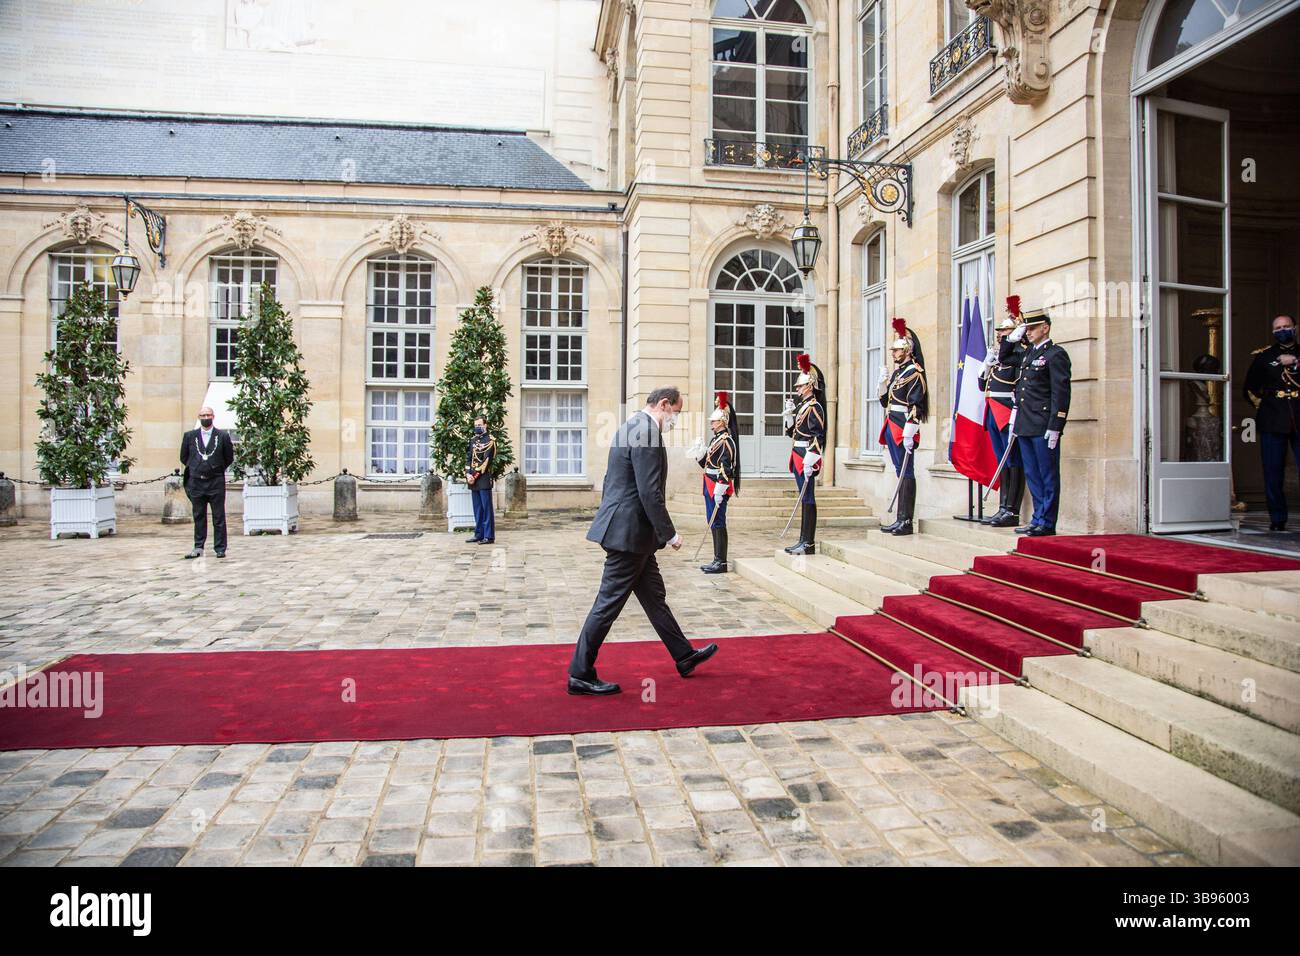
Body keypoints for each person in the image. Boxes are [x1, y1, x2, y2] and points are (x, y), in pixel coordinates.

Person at [568, 387, 719, 696]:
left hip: (631, 533)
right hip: (630, 535)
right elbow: (649, 492)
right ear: (663, 405)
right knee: (607, 604)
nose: (675, 419)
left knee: (654, 598)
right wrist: (670, 533)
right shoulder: (647, 432)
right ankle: (580, 673)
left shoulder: (632, 425)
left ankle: (684, 655)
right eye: (676, 412)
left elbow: (615, 480)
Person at [1010, 307, 1071, 536]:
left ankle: (1047, 521)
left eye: (1033, 328)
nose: (1028, 332)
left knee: (1047, 474)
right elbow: (1005, 358)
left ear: (1045, 328)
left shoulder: (1056, 354)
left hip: (1044, 425)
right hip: (1026, 423)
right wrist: (1010, 339)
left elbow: (1061, 393)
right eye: (1026, 329)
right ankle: (1037, 517)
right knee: (1033, 474)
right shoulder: (1028, 354)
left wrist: (1056, 426)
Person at [1243, 314, 1300, 531]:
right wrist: (1265, 407)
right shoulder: (1264, 357)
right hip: (1273, 418)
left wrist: (1295, 361)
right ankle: (1277, 518)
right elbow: (1250, 387)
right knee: (1273, 471)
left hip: (1299, 415)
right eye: (1278, 327)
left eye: (1286, 326)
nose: (1282, 330)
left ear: (1294, 328)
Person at [877, 318, 928, 536]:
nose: (893, 353)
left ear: (907, 350)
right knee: (900, 472)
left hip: (903, 426)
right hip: (892, 423)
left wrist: (911, 429)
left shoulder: (915, 372)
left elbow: (917, 402)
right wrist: (881, 385)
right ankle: (899, 517)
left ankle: (906, 520)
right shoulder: (898, 373)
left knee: (907, 472)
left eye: (897, 350)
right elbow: (886, 401)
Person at [980, 296, 1027, 528]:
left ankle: (1012, 509)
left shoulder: (1019, 356)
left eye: (1005, 330)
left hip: (1008, 412)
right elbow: (983, 386)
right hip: (993, 411)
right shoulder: (1000, 358)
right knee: (1002, 461)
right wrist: (985, 367)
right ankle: (1002, 507)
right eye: (999, 331)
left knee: (1013, 460)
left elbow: (1020, 385)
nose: (1000, 334)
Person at [782, 354, 826, 556]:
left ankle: (808, 542)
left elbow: (819, 435)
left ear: (809, 386)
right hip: (798, 452)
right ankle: (802, 539)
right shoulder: (802, 406)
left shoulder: (815, 406)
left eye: (800, 386)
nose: (797, 389)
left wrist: (813, 457)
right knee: (803, 498)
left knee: (808, 498)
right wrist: (789, 416)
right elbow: (793, 433)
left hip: (806, 454)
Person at [180, 405, 234, 559]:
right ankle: (198, 546)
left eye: (208, 415)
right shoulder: (190, 436)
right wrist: (197, 468)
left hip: (215, 481)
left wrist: (215, 468)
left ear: (213, 416)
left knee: (218, 516)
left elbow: (228, 457)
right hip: (197, 482)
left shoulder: (222, 436)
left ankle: (220, 548)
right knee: (199, 516)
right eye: (203, 415)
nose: (205, 418)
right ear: (199, 417)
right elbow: (184, 457)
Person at [697, 390, 740, 574]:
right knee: (713, 520)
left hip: (717, 486)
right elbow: (708, 464)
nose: (711, 425)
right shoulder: (717, 439)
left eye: (713, 422)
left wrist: (721, 489)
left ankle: (721, 561)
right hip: (710, 483)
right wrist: (699, 454)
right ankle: (716, 558)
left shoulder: (726, 441)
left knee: (718, 520)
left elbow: (726, 467)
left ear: (722, 422)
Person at [465, 415, 496, 545]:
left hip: (483, 478)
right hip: (472, 478)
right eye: (475, 425)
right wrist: (467, 474)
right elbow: (468, 458)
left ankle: (488, 536)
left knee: (486, 508)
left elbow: (486, 462)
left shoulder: (490, 440)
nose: (477, 427)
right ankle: (479, 534)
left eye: (479, 425)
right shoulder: (472, 440)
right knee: (477, 508)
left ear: (485, 425)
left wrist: (475, 477)